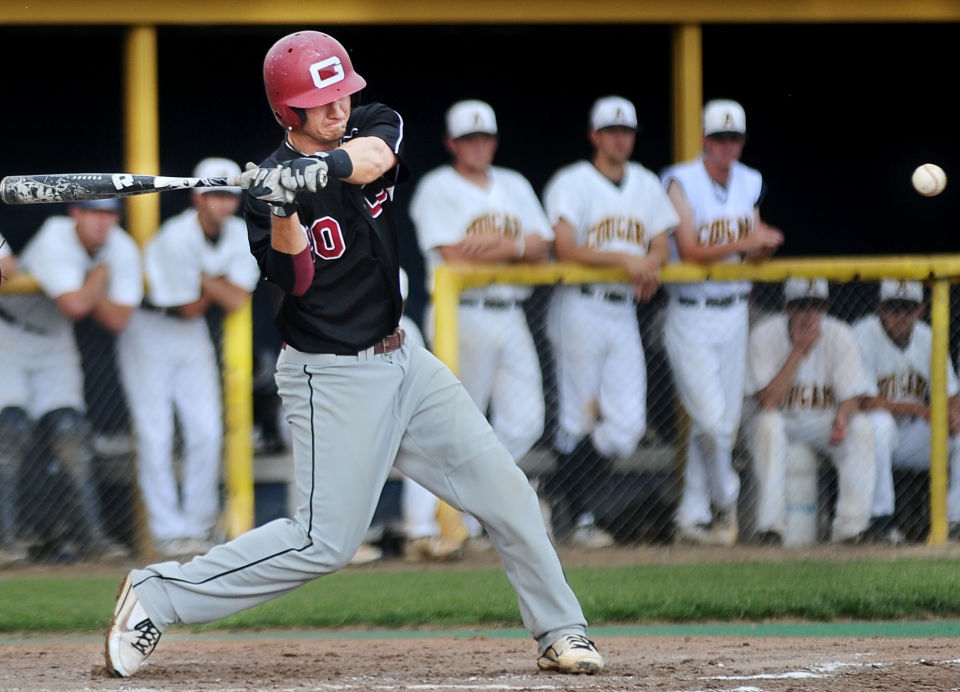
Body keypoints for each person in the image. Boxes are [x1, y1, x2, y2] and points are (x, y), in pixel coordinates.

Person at [105, 30, 603, 678]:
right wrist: (284, 203)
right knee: (324, 543)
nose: (339, 106)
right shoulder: (263, 197)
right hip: (330, 376)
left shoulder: (370, 123)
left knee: (506, 491)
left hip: (406, 362)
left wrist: (325, 167)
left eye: (341, 91)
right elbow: (298, 279)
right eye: (323, 100)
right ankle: (157, 594)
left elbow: (372, 155)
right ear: (289, 113)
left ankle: (561, 629)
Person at [410, 99, 552, 544]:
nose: (478, 146)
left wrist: (494, 242)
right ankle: (430, 524)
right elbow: (453, 254)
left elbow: (542, 248)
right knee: (455, 424)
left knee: (527, 420)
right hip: (462, 316)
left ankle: (471, 503)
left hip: (510, 313)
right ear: (452, 143)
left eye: (484, 137)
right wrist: (516, 243)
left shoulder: (513, 183)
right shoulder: (437, 187)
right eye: (468, 139)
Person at [541, 95, 679, 548]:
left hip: (621, 310)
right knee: (577, 418)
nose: (620, 138)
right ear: (594, 136)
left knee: (626, 427)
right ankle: (580, 517)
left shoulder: (643, 183)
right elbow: (564, 247)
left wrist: (650, 263)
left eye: (627, 131)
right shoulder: (572, 181)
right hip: (579, 306)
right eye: (612, 131)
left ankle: (553, 490)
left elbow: (660, 241)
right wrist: (626, 259)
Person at [116, 157, 261, 559]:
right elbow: (190, 306)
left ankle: (197, 525)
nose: (222, 204)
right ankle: (168, 532)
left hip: (191, 336)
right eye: (214, 195)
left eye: (228, 196)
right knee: (156, 434)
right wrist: (216, 282)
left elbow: (235, 299)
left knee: (207, 430)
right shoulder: (174, 236)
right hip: (150, 328)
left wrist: (202, 278)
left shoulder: (239, 234)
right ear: (197, 198)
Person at [660, 99, 784, 546]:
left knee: (719, 424)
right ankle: (727, 500)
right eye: (718, 138)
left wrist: (764, 245)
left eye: (733, 139)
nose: (726, 146)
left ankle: (692, 516)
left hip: (733, 311)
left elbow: (750, 252)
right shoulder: (680, 180)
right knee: (711, 421)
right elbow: (690, 248)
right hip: (691, 312)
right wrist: (749, 238)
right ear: (704, 140)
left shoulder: (749, 181)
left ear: (742, 141)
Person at [0, 199, 140, 562]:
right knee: (10, 432)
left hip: (55, 341)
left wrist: (87, 292)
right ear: (75, 214)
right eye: (93, 212)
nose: (101, 222)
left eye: (108, 214)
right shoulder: (54, 237)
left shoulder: (120, 246)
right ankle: (4, 542)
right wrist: (97, 280)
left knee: (70, 433)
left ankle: (90, 541)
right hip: (10, 335)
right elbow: (75, 306)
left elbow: (118, 319)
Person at [745, 278, 878, 545]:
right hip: (775, 421)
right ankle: (770, 527)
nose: (809, 313)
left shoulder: (839, 333)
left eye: (816, 305)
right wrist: (799, 350)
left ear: (826, 306)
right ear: (786, 306)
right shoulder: (764, 334)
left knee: (862, 426)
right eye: (801, 305)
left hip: (820, 423)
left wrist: (843, 415)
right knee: (768, 424)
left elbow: (852, 393)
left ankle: (851, 528)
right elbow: (769, 402)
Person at [855, 279, 960, 541]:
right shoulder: (863, 333)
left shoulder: (928, 337)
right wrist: (922, 410)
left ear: (921, 309)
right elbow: (864, 401)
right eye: (893, 307)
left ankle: (954, 520)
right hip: (868, 439)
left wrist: (953, 413)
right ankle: (881, 521)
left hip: (912, 437)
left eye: (907, 308)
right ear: (880, 307)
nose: (900, 316)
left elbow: (952, 394)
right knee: (880, 423)